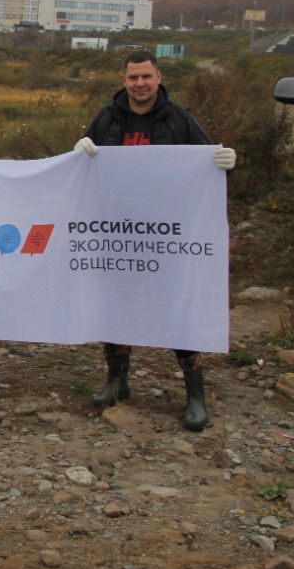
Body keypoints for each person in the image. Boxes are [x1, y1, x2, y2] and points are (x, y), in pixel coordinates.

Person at [74, 49, 237, 432]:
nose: (140, 84)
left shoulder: (179, 119)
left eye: (146, 77)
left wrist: (225, 165)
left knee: (177, 309)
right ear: (124, 80)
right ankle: (117, 379)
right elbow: (79, 171)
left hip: (167, 235)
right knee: (116, 308)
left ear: (159, 77)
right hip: (118, 233)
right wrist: (78, 150)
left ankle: (194, 393)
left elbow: (207, 168)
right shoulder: (107, 117)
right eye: (133, 78)